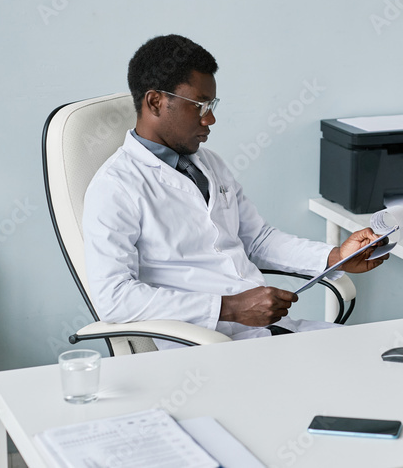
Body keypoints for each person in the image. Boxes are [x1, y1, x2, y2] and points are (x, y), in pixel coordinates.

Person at [83, 34, 385, 345]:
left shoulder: (208, 163)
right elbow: (113, 297)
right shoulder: (115, 187)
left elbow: (257, 239)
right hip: (204, 350)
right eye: (200, 106)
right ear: (156, 102)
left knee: (374, 351)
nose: (210, 119)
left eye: (211, 105)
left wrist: (336, 257)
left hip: (271, 332)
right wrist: (230, 308)